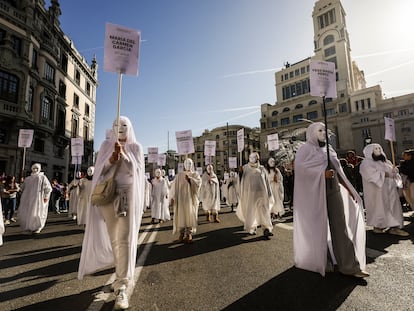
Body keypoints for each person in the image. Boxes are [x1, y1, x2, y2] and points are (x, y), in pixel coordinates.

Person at [78, 116, 145, 310]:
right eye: (117, 125)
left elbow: (135, 171)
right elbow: (100, 171)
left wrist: (122, 155)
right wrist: (110, 158)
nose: (121, 128)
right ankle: (121, 273)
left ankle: (122, 286)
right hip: (108, 197)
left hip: (127, 197)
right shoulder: (106, 145)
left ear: (130, 128)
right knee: (115, 239)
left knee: (124, 238)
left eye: (124, 125)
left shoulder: (136, 147)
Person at [293, 122, 368, 278]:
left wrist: (349, 189)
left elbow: (338, 171)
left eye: (324, 130)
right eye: (319, 130)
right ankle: (322, 261)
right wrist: (321, 173)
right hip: (314, 193)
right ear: (312, 133)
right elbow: (301, 169)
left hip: (333, 191)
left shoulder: (329, 150)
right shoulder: (304, 150)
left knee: (340, 227)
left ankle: (349, 266)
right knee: (317, 227)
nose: (323, 133)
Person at [359, 143, 409, 236]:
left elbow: (393, 173)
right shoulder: (366, 163)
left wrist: (394, 172)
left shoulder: (386, 162)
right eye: (376, 149)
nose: (378, 150)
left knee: (393, 206)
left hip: (390, 189)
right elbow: (370, 175)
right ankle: (379, 226)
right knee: (380, 207)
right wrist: (384, 174)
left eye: (379, 148)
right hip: (377, 191)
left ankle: (395, 227)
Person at [236, 152, 274, 239]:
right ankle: (252, 227)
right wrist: (240, 173)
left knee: (264, 211)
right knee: (251, 211)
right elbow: (241, 181)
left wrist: (269, 193)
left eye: (257, 158)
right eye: (254, 157)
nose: (256, 159)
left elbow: (267, 182)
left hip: (262, 194)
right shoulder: (245, 168)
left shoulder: (262, 168)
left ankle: (266, 229)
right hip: (250, 195)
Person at [170, 158, 201, 243]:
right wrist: (172, 197)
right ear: (184, 164)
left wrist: (190, 180)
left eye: (190, 163)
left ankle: (189, 234)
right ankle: (181, 234)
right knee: (181, 216)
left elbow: (198, 184)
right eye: (187, 163)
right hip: (181, 200)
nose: (188, 165)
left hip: (190, 200)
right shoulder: (179, 175)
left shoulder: (195, 174)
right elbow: (174, 187)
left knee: (190, 216)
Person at [18, 163, 52, 234]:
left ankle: (37, 227)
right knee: (27, 213)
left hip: (38, 198)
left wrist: (46, 196)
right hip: (27, 199)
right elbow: (22, 188)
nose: (35, 170)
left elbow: (48, 188)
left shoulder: (43, 177)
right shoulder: (28, 179)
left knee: (37, 212)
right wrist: (21, 183)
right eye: (33, 168)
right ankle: (28, 227)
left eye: (37, 168)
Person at [264, 157, 285, 222]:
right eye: (270, 162)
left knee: (277, 201)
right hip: (270, 189)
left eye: (273, 162)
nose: (272, 163)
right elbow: (265, 179)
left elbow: (281, 178)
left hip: (276, 189)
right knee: (271, 202)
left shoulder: (277, 170)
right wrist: (272, 180)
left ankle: (278, 215)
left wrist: (277, 180)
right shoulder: (266, 171)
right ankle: (271, 215)